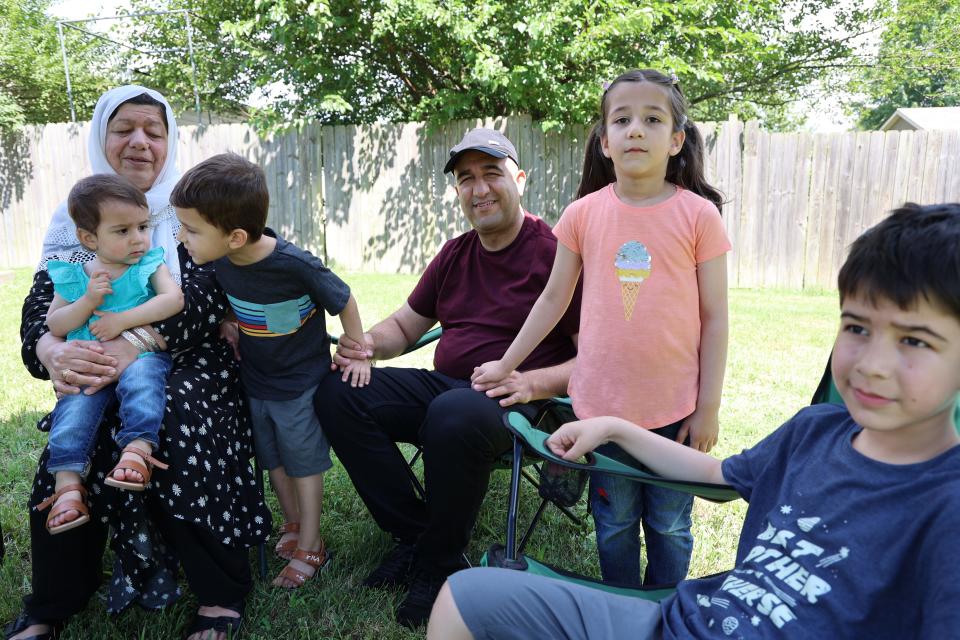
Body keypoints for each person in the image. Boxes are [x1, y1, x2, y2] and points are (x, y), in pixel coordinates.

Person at [429, 202, 960, 639]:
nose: (872, 363)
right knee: (466, 596)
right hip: (680, 621)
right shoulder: (815, 431)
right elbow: (716, 476)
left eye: (914, 340)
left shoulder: (945, 504)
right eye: (858, 328)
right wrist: (613, 427)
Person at [7, 86, 271, 640]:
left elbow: (204, 299)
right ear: (100, 137)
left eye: (155, 130)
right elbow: (42, 308)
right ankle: (54, 599)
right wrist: (52, 352)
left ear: (170, 141)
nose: (140, 142)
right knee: (74, 433)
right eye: (124, 128)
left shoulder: (195, 207)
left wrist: (136, 343)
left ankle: (219, 592)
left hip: (194, 361)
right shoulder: (77, 219)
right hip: (100, 357)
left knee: (173, 416)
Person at [472, 68, 729, 587]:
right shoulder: (583, 214)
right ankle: (621, 610)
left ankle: (667, 610)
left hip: (674, 413)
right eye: (622, 119)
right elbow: (552, 298)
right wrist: (507, 363)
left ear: (676, 140)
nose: (636, 129)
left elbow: (715, 317)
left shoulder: (699, 217)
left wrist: (708, 407)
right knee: (612, 525)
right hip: (600, 409)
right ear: (605, 142)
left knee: (670, 525)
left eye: (652, 119)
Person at [315, 127, 582, 627]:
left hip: (514, 400)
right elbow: (404, 326)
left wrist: (534, 383)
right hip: (448, 390)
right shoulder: (455, 253)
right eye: (466, 179)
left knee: (453, 412)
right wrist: (365, 346)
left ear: (519, 179)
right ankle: (419, 535)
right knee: (338, 391)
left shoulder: (555, 254)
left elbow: (593, 356)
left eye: (491, 174)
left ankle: (438, 567)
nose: (479, 189)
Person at [171, 152, 370, 590]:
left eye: (190, 229)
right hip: (256, 380)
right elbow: (232, 299)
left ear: (235, 236)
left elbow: (344, 299)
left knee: (302, 464)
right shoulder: (221, 260)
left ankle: (312, 545)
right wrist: (227, 320)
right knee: (273, 459)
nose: (181, 236)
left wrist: (356, 348)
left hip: (299, 384)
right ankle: (294, 524)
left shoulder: (293, 264)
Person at [41, 174, 184, 535]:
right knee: (74, 407)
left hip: (139, 356)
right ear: (89, 238)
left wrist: (123, 319)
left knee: (144, 382)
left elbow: (173, 300)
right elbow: (55, 323)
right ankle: (67, 486)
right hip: (91, 365)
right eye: (122, 231)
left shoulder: (149, 264)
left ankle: (137, 449)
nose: (138, 238)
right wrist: (88, 300)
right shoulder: (76, 275)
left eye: (143, 226)